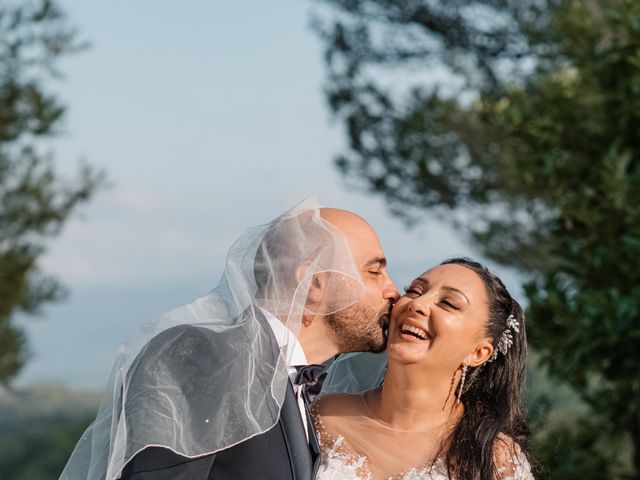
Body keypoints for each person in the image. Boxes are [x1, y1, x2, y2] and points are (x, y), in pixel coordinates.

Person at [60, 198, 399, 480]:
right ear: (312, 284)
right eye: (375, 271)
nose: (393, 291)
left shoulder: (316, 390)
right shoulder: (199, 354)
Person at [312, 258, 534, 479]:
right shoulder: (319, 416)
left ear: (478, 353)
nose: (417, 304)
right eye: (415, 291)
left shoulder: (495, 460)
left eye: (448, 303)